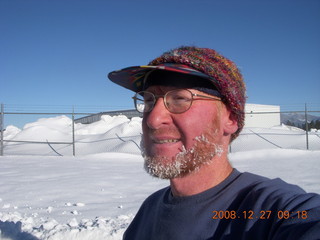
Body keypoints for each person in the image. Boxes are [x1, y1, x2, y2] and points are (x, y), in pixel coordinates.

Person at [108, 46, 320, 240]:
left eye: (180, 99)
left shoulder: (271, 211)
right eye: (148, 100)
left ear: (231, 119)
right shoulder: (149, 210)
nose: (153, 119)